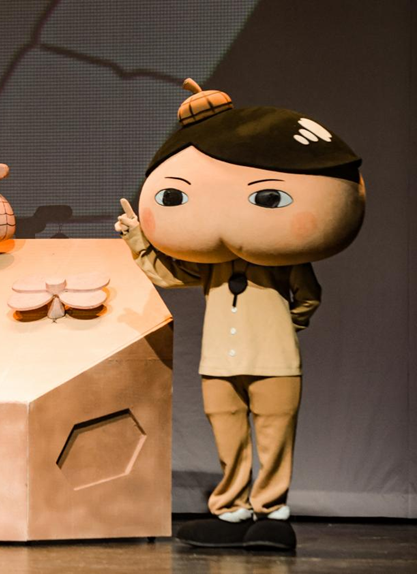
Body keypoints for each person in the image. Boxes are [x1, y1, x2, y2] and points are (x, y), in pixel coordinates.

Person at [116, 80, 365, 550]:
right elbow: (168, 274)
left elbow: (308, 297)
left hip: (275, 363)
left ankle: (271, 512)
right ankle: (231, 510)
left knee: (274, 437)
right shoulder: (210, 263)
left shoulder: (283, 258)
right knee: (229, 438)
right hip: (218, 363)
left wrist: (286, 329)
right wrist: (136, 237)